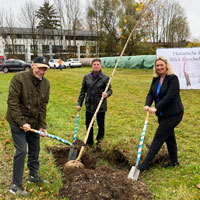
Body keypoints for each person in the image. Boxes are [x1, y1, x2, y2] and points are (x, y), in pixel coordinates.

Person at [6, 56, 50, 196]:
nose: (41, 72)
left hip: (34, 122)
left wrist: (42, 125)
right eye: (39, 68)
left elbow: (43, 106)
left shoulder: (46, 83)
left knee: (35, 149)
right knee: (22, 151)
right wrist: (21, 122)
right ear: (32, 66)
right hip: (17, 121)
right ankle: (15, 185)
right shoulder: (19, 79)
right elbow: (12, 103)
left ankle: (33, 176)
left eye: (44, 69)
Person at [138, 56, 184, 171]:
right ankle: (174, 161)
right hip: (162, 114)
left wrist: (157, 108)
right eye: (157, 65)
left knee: (159, 137)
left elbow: (170, 96)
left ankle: (145, 164)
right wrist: (147, 104)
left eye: (161, 65)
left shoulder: (173, 79)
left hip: (174, 114)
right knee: (169, 137)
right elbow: (150, 94)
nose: (159, 67)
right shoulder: (156, 79)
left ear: (166, 65)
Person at [76, 58, 112, 146]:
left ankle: (100, 141)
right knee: (88, 125)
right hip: (89, 105)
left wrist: (106, 94)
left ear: (100, 66)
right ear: (92, 66)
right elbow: (82, 91)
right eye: (94, 64)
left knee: (101, 125)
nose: (96, 66)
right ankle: (89, 142)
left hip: (100, 106)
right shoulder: (86, 77)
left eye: (97, 64)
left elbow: (110, 90)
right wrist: (79, 103)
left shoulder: (105, 78)